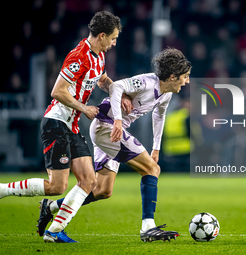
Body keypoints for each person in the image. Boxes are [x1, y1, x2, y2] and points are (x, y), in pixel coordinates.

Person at [38, 48, 192, 242]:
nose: (186, 81)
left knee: (103, 190)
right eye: (185, 77)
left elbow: (159, 115)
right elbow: (117, 86)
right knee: (152, 169)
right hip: (107, 127)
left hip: (110, 130)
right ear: (172, 76)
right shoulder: (147, 82)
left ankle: (50, 206)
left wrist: (156, 148)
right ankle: (148, 227)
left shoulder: (166, 94)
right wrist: (118, 120)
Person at [0, 11, 123, 243]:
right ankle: (2, 190)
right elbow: (57, 91)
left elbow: (102, 79)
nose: (114, 43)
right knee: (57, 186)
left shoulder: (99, 57)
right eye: (113, 38)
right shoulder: (79, 56)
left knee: (89, 181)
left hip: (72, 126)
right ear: (102, 35)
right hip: (56, 122)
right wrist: (84, 108)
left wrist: (119, 93)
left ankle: (54, 231)